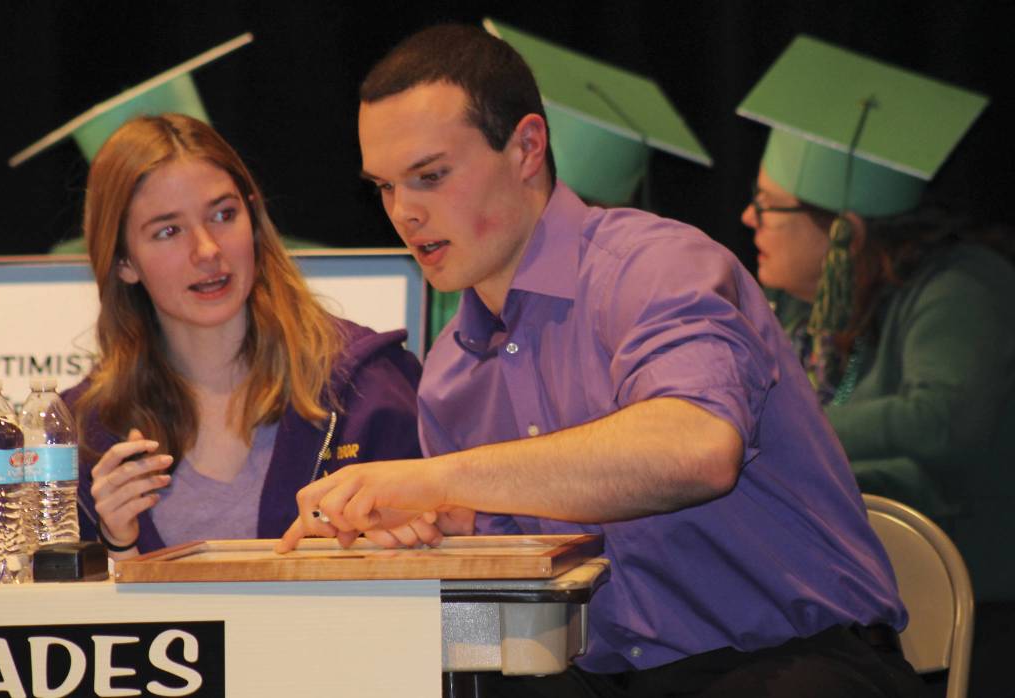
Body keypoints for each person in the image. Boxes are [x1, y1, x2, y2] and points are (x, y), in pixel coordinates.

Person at [278, 24, 924, 697]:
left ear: (527, 147)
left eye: (431, 176)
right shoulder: (449, 374)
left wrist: (439, 482)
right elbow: (499, 622)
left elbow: (697, 450)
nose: (405, 212)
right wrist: (424, 545)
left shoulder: (655, 268)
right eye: (383, 187)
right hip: (602, 673)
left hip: (793, 662)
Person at [64, 113, 431, 558]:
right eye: (168, 231)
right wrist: (117, 546)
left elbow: (454, 587)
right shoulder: (81, 433)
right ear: (123, 261)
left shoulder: (368, 384)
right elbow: (57, 621)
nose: (207, 250)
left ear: (254, 221)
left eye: (223, 214)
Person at [737, 35, 1015, 604]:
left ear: (845, 233)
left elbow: (943, 418)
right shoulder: (792, 303)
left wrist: (782, 433)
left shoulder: (962, 285)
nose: (748, 217)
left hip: (961, 593)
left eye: (767, 205)